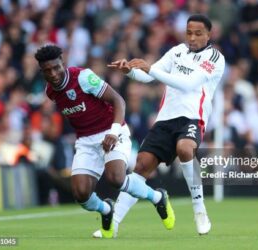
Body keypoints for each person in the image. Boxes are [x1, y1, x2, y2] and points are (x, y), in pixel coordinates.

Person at [94, 14, 225, 237]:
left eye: (198, 33)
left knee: (185, 148)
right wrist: (131, 71)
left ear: (208, 35)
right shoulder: (176, 52)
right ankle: (113, 223)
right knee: (142, 166)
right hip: (166, 118)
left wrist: (150, 69)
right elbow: (148, 76)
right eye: (189, 32)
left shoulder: (214, 58)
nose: (192, 38)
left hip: (193, 117)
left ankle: (199, 209)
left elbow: (188, 84)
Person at [34, 45, 175, 238]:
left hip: (112, 130)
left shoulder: (83, 78)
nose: (53, 73)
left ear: (63, 63)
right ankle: (106, 209)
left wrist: (114, 132)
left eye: (56, 67)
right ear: (42, 72)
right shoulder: (50, 91)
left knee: (116, 178)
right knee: (81, 194)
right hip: (85, 141)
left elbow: (119, 101)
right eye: (47, 71)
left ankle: (158, 197)